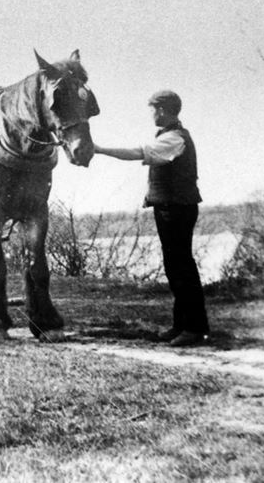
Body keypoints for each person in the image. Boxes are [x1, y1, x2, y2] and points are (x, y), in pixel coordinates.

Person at [93, 90, 210, 347]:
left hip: (176, 209)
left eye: (153, 109)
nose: (152, 115)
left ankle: (193, 328)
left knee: (181, 267)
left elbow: (137, 153)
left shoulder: (174, 139)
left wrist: (99, 149)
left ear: (162, 110)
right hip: (171, 208)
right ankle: (182, 325)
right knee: (175, 266)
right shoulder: (172, 136)